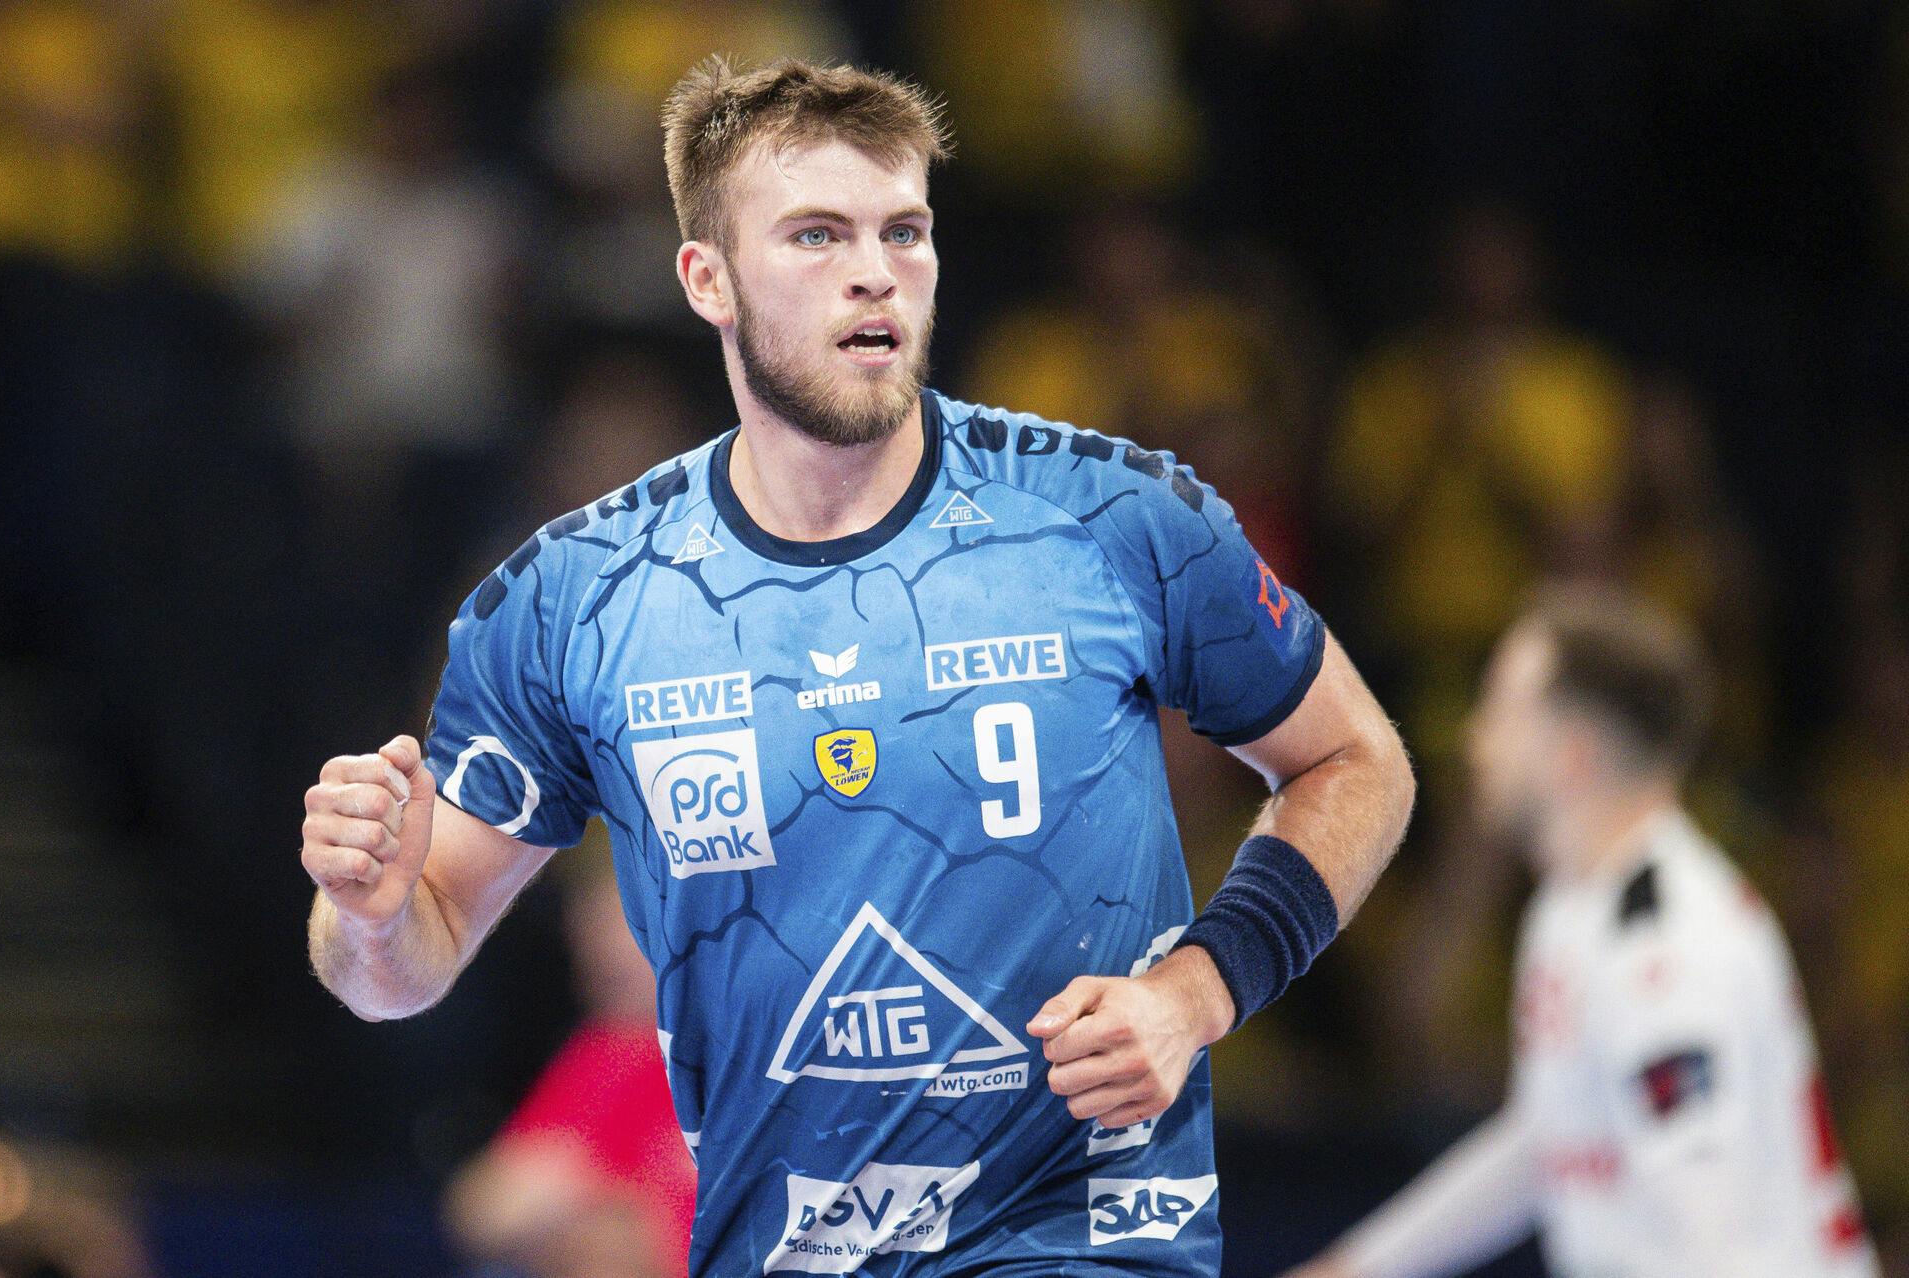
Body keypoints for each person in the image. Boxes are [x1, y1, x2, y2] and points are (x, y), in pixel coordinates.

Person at [301, 57, 1414, 1275]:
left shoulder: (1112, 518)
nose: (876, 270)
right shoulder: (576, 601)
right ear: (707, 278)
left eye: (906, 231)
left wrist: (1197, 992)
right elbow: (402, 964)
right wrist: (369, 910)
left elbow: (1358, 761)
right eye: (818, 234)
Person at [1282, 590, 1878, 1278]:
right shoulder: (1574, 908)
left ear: (1572, 753)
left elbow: (1712, 1240)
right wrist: (1358, 1266)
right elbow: (1554, 1136)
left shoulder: (1669, 949)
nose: (1476, 739)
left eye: (1502, 711)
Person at [446, 856, 696, 1278]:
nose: (606, 953)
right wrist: (610, 1204)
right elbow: (484, 1210)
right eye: (593, 930)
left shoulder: (753, 1053)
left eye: (628, 930)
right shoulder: (611, 1055)